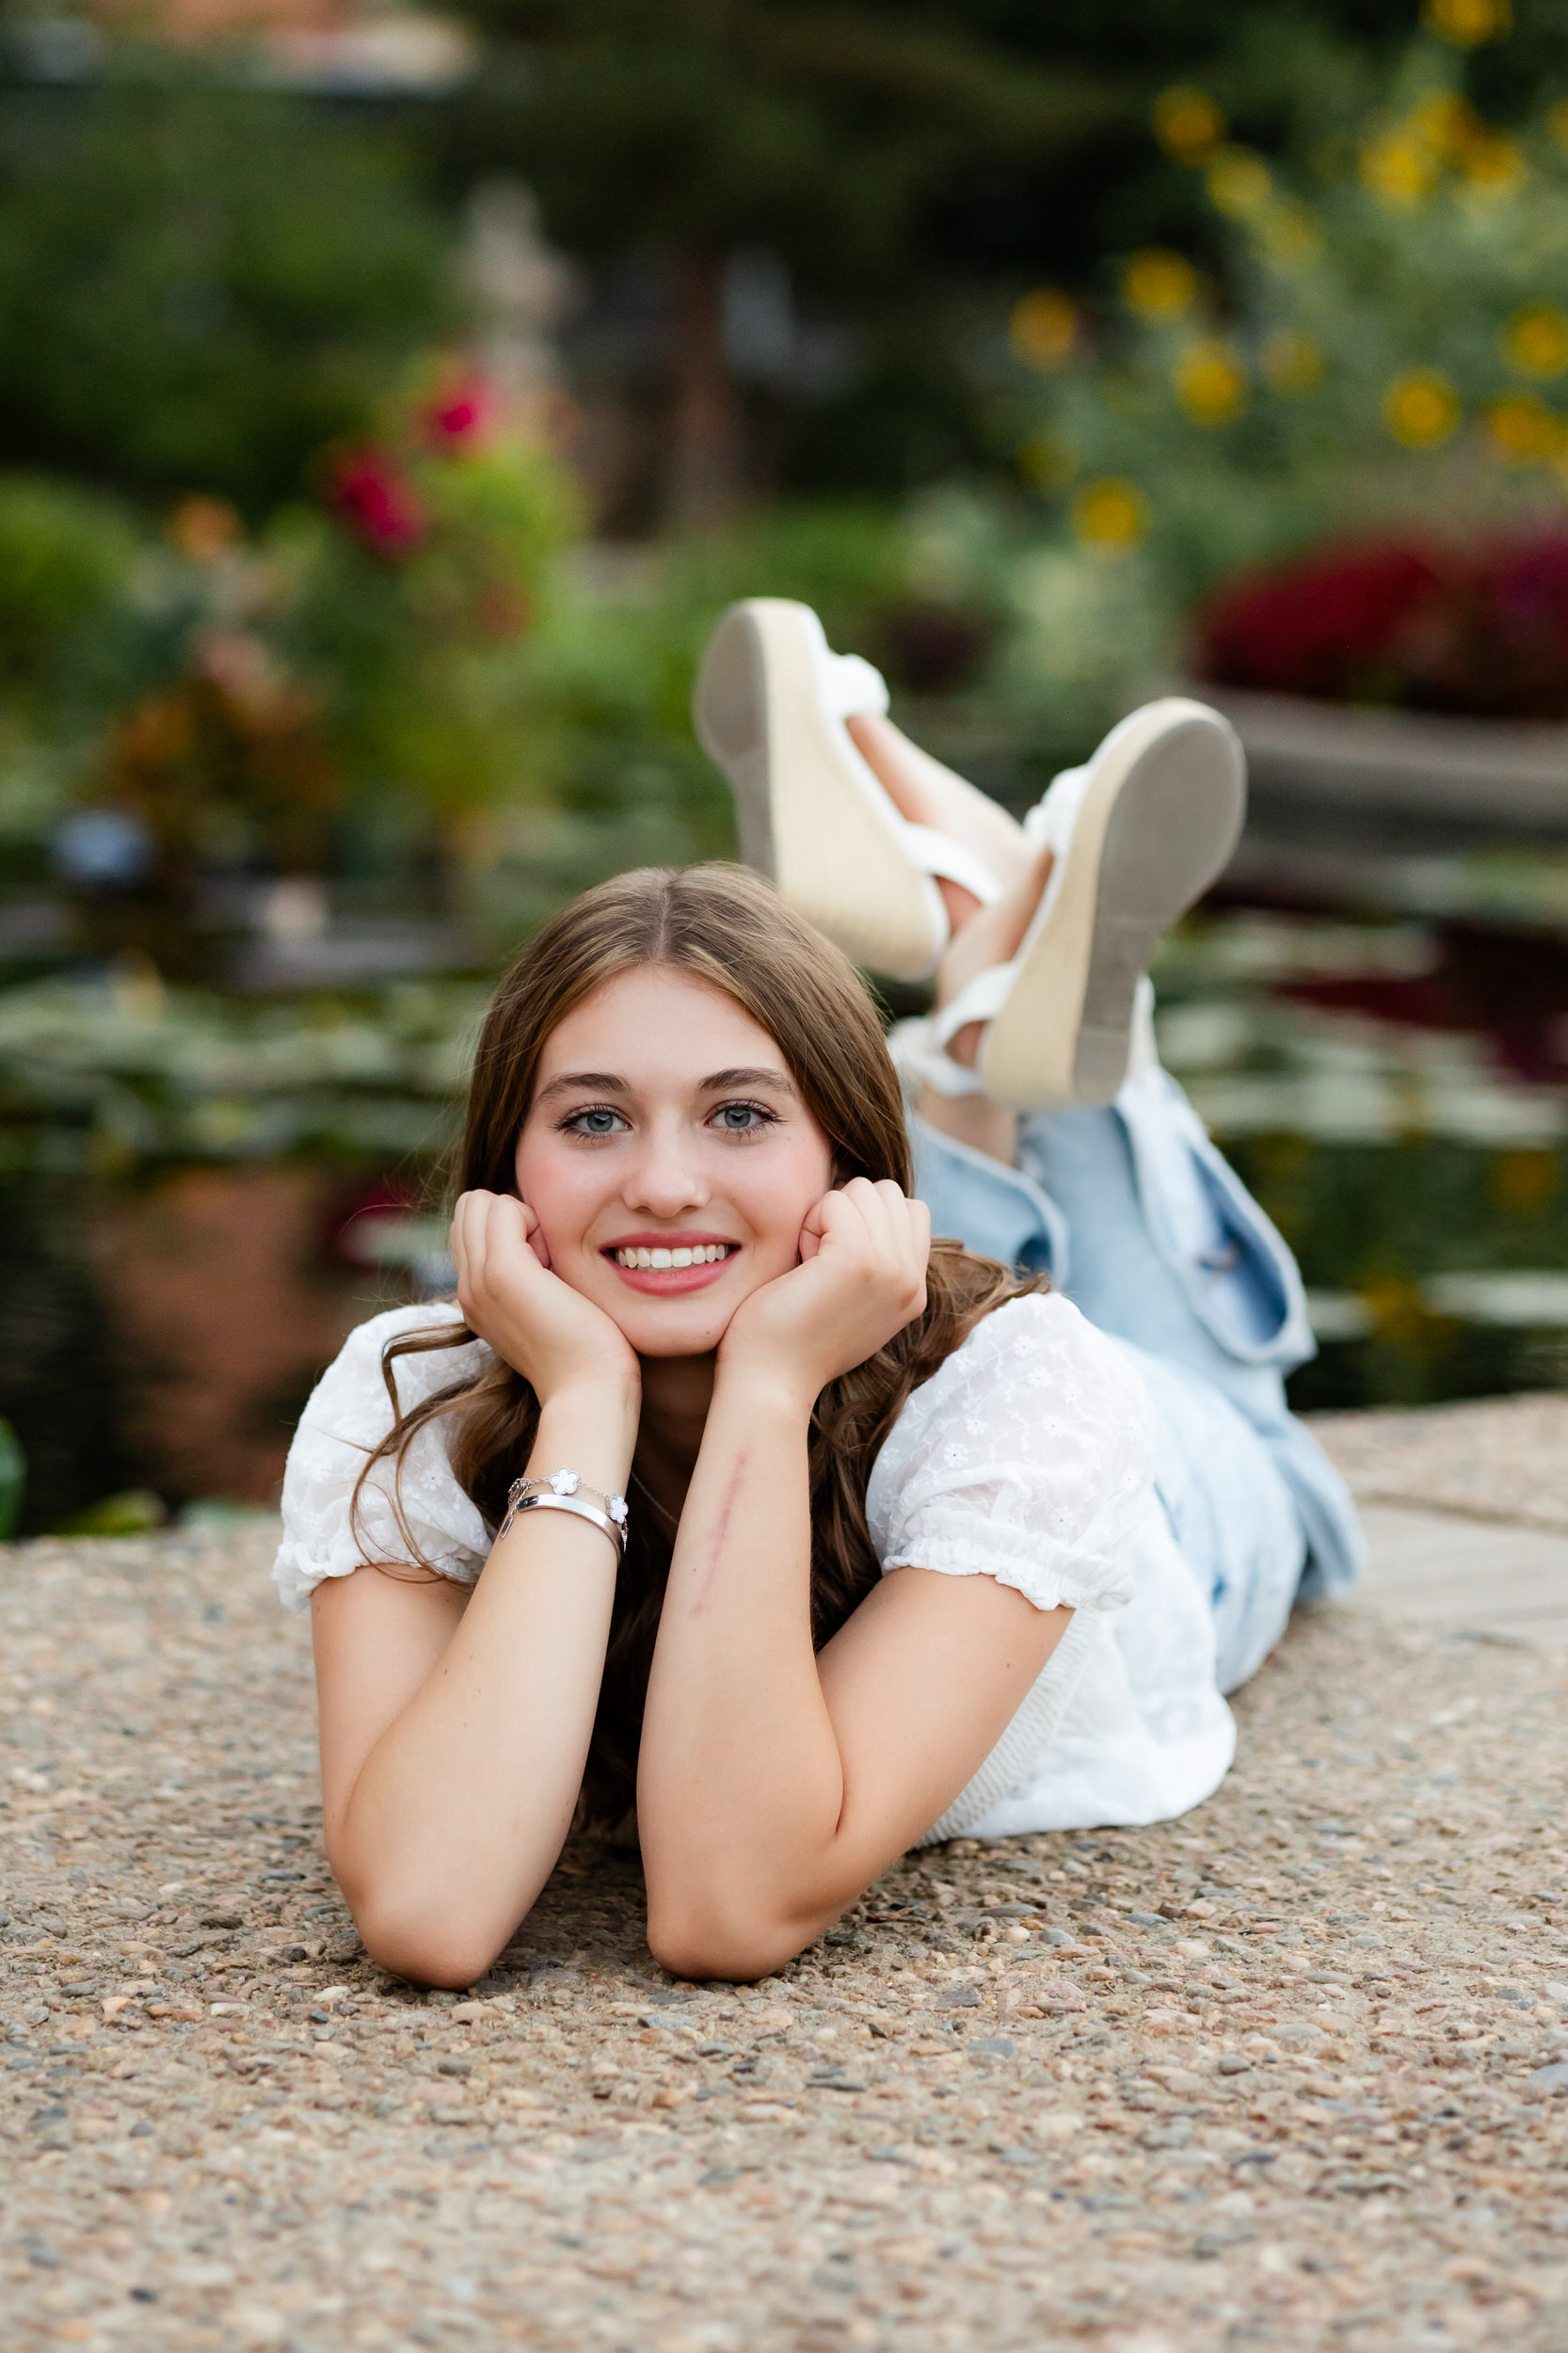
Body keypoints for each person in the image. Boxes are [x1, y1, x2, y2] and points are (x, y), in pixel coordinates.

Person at [273, 600, 1362, 1990]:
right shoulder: (406, 1398)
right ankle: (975, 936)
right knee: (1036, 1051)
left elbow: (729, 1904)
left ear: (853, 1164)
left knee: (1289, 1475)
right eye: (593, 1122)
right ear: (505, 1169)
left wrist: (770, 1381)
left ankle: (976, 965)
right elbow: (430, 1909)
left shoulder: (1032, 1401)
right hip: (845, 1300)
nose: (661, 1183)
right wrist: (589, 1400)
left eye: (736, 1115)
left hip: (1176, 1506)